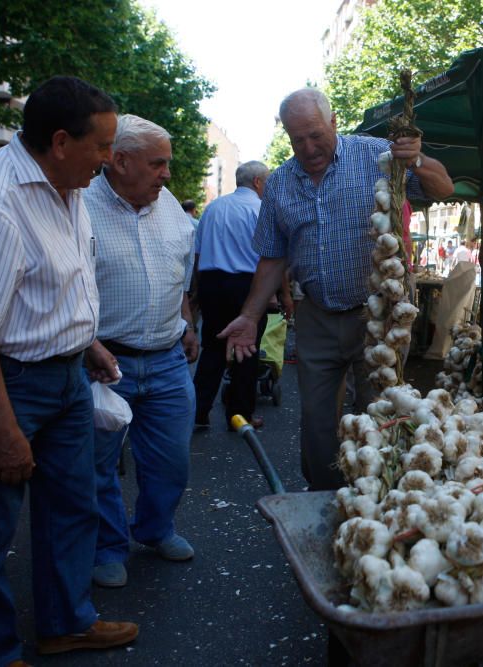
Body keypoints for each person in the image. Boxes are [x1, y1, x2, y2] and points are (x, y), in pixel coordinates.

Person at [0, 76, 138, 665]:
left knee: (72, 506)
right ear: (60, 141)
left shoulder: (68, 185)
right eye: (102, 147)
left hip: (66, 378)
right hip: (6, 383)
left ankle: (65, 623)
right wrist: (4, 432)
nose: (108, 161)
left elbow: (50, 290)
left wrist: (87, 345)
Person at [219, 87, 453, 491]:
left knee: (380, 410)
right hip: (317, 317)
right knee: (317, 420)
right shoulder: (279, 185)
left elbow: (442, 188)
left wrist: (416, 158)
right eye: (297, 139)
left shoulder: (375, 155)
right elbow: (273, 258)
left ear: (333, 122)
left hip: (378, 316)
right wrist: (249, 315)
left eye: (315, 135)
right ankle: (325, 496)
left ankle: (379, 496)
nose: (308, 147)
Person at [84, 114, 198, 588]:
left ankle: (155, 528)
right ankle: (107, 547)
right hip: (103, 361)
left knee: (171, 458)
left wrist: (188, 322)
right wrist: (88, 347)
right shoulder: (80, 205)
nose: (167, 174)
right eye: (158, 164)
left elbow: (181, 271)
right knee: (99, 464)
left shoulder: (169, 204)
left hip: (168, 357)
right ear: (120, 160)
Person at [192, 160, 272, 431]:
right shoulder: (260, 209)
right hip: (246, 286)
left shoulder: (213, 208)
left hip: (212, 283)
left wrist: (195, 292)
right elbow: (269, 256)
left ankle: (198, 412)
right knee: (246, 349)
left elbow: (198, 253)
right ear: (259, 182)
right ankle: (240, 415)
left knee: (212, 348)